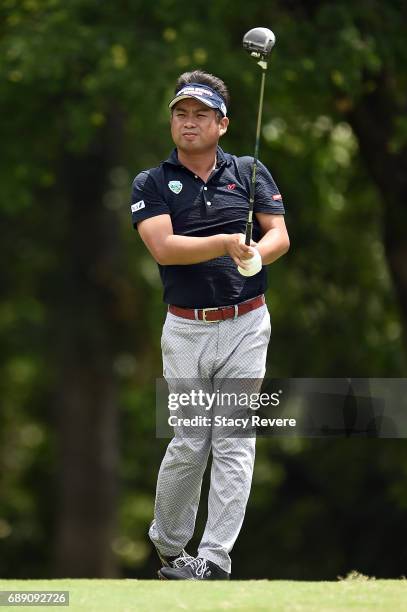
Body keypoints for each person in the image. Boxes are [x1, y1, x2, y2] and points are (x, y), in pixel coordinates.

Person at [130, 70, 290, 580]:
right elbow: (164, 247)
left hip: (247, 324)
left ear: (223, 123)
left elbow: (279, 234)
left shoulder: (248, 171)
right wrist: (225, 242)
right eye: (181, 114)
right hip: (186, 331)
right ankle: (171, 544)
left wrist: (255, 257)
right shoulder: (152, 183)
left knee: (235, 440)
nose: (188, 123)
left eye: (201, 114)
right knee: (190, 440)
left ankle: (215, 559)